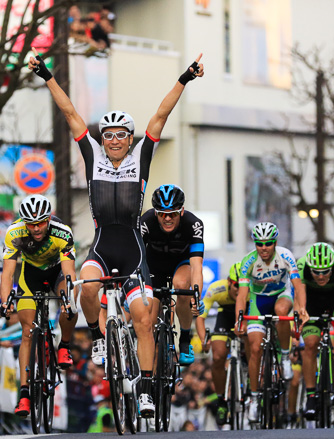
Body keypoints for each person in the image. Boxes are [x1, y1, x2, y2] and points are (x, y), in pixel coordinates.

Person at [30, 47, 204, 418]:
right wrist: (46, 76)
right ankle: (96, 336)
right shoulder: (92, 155)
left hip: (133, 251)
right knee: (86, 288)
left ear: (129, 137)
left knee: (143, 318)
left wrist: (185, 78)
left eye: (119, 135)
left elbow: (161, 114)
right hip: (102, 247)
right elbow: (70, 113)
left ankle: (143, 388)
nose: (112, 140)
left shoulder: (141, 156)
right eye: (107, 135)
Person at [0, 194, 78, 417]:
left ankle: (64, 345)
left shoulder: (62, 231)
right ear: (24, 222)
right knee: (27, 331)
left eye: (41, 222)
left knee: (70, 303)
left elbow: (70, 272)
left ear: (49, 218)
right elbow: (7, 273)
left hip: (57, 272)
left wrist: (67, 300)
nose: (36, 228)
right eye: (31, 224)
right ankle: (24, 395)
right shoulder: (14, 233)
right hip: (30, 276)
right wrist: (6, 301)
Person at [234, 222, 306, 423]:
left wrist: (301, 308)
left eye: (268, 244)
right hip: (258, 302)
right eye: (259, 244)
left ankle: (284, 356)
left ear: (275, 243)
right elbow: (242, 295)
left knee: (281, 311)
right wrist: (239, 319)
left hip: (282, 295)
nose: (263, 248)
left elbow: (298, 286)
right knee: (255, 348)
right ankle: (255, 399)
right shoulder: (248, 262)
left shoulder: (285, 255)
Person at [141, 184, 204, 365]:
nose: (167, 218)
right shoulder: (145, 223)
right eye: (162, 213)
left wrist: (196, 295)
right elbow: (136, 258)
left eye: (173, 214)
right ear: (155, 213)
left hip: (181, 264)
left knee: (182, 285)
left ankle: (185, 340)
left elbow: (197, 266)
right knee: (150, 318)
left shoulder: (194, 224)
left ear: (181, 211)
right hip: (154, 267)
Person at [295, 242, 334, 421]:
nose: (321, 276)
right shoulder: (301, 265)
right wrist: (300, 315)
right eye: (316, 272)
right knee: (311, 344)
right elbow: (298, 297)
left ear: (332, 266)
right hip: (311, 302)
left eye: (325, 272)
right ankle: (311, 397)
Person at [196, 262, 241, 425]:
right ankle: (221, 401)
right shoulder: (216, 288)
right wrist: (203, 339)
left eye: (243, 285)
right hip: (225, 316)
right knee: (218, 356)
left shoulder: (251, 291)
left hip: (246, 315)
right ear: (229, 282)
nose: (239, 289)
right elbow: (200, 317)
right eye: (236, 285)